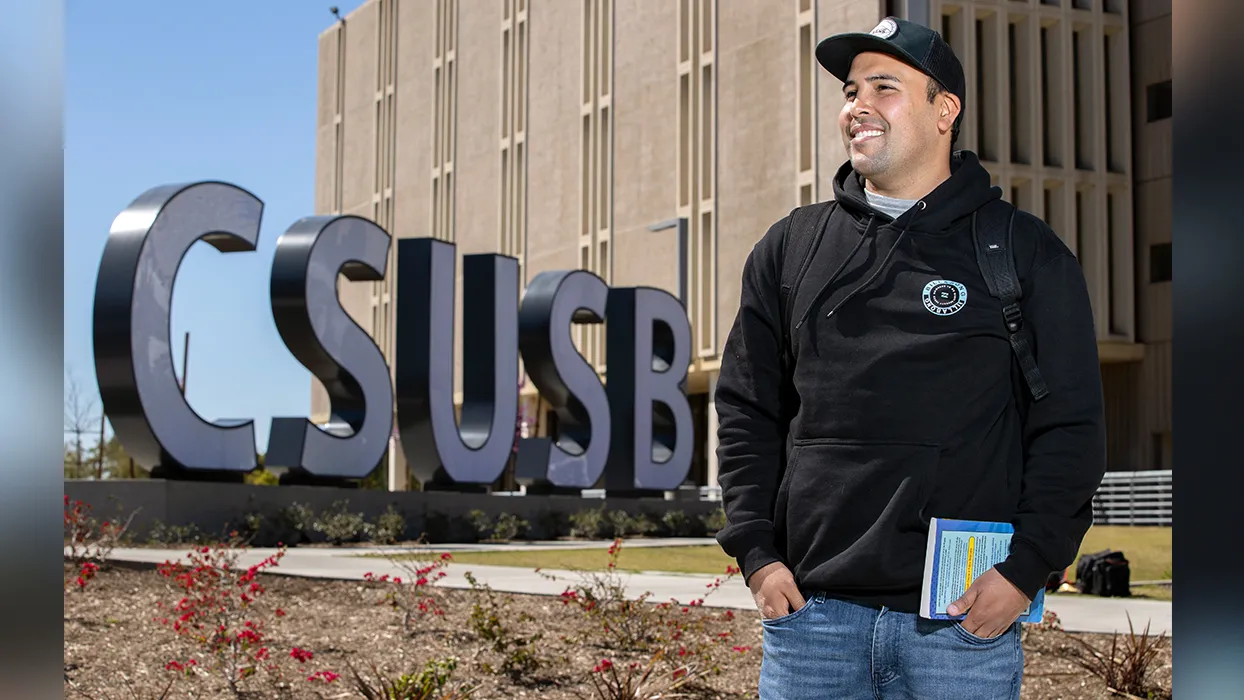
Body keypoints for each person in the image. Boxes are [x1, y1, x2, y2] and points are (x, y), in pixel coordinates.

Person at [713, 16, 1106, 700]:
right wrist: (756, 556)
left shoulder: (1023, 251)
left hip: (960, 628)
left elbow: (1070, 425)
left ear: (944, 110)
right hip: (814, 624)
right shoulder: (790, 248)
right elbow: (747, 409)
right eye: (850, 89)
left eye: (884, 87)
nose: (856, 104)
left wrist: (1025, 571)